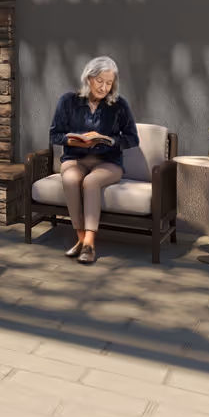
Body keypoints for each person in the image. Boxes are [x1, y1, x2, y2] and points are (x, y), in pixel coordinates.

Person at [47, 55, 139, 265]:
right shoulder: (68, 101)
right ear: (89, 78)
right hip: (75, 158)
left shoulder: (119, 105)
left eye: (109, 83)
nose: (104, 87)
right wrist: (74, 141)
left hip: (108, 162)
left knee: (91, 182)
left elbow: (133, 138)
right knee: (70, 179)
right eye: (100, 81)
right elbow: (54, 135)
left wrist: (111, 141)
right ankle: (82, 239)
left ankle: (89, 243)